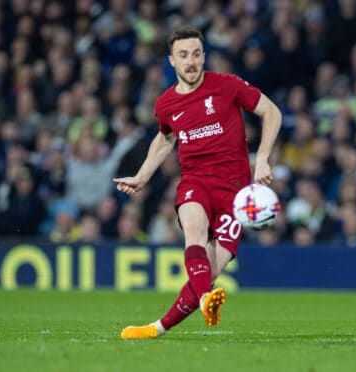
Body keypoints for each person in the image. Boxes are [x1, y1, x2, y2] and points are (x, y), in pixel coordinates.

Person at [113, 27, 281, 339]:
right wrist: (142, 176)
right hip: (195, 182)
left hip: (236, 192)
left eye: (195, 54)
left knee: (211, 270)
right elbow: (165, 139)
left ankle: (158, 328)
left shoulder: (227, 86)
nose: (190, 61)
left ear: (203, 56)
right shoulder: (165, 104)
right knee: (194, 230)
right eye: (183, 55)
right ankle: (207, 299)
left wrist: (263, 158)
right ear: (172, 61)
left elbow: (271, 112)